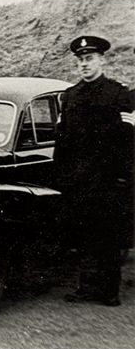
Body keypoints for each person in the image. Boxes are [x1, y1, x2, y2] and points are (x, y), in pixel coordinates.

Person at [54, 35, 134, 307]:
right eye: (80, 60)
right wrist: (63, 177)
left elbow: (128, 139)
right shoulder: (70, 96)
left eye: (89, 59)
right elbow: (63, 141)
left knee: (109, 237)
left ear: (102, 60)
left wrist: (125, 178)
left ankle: (109, 291)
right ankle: (87, 287)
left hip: (110, 180)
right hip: (79, 180)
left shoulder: (118, 93)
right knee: (85, 235)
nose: (84, 65)